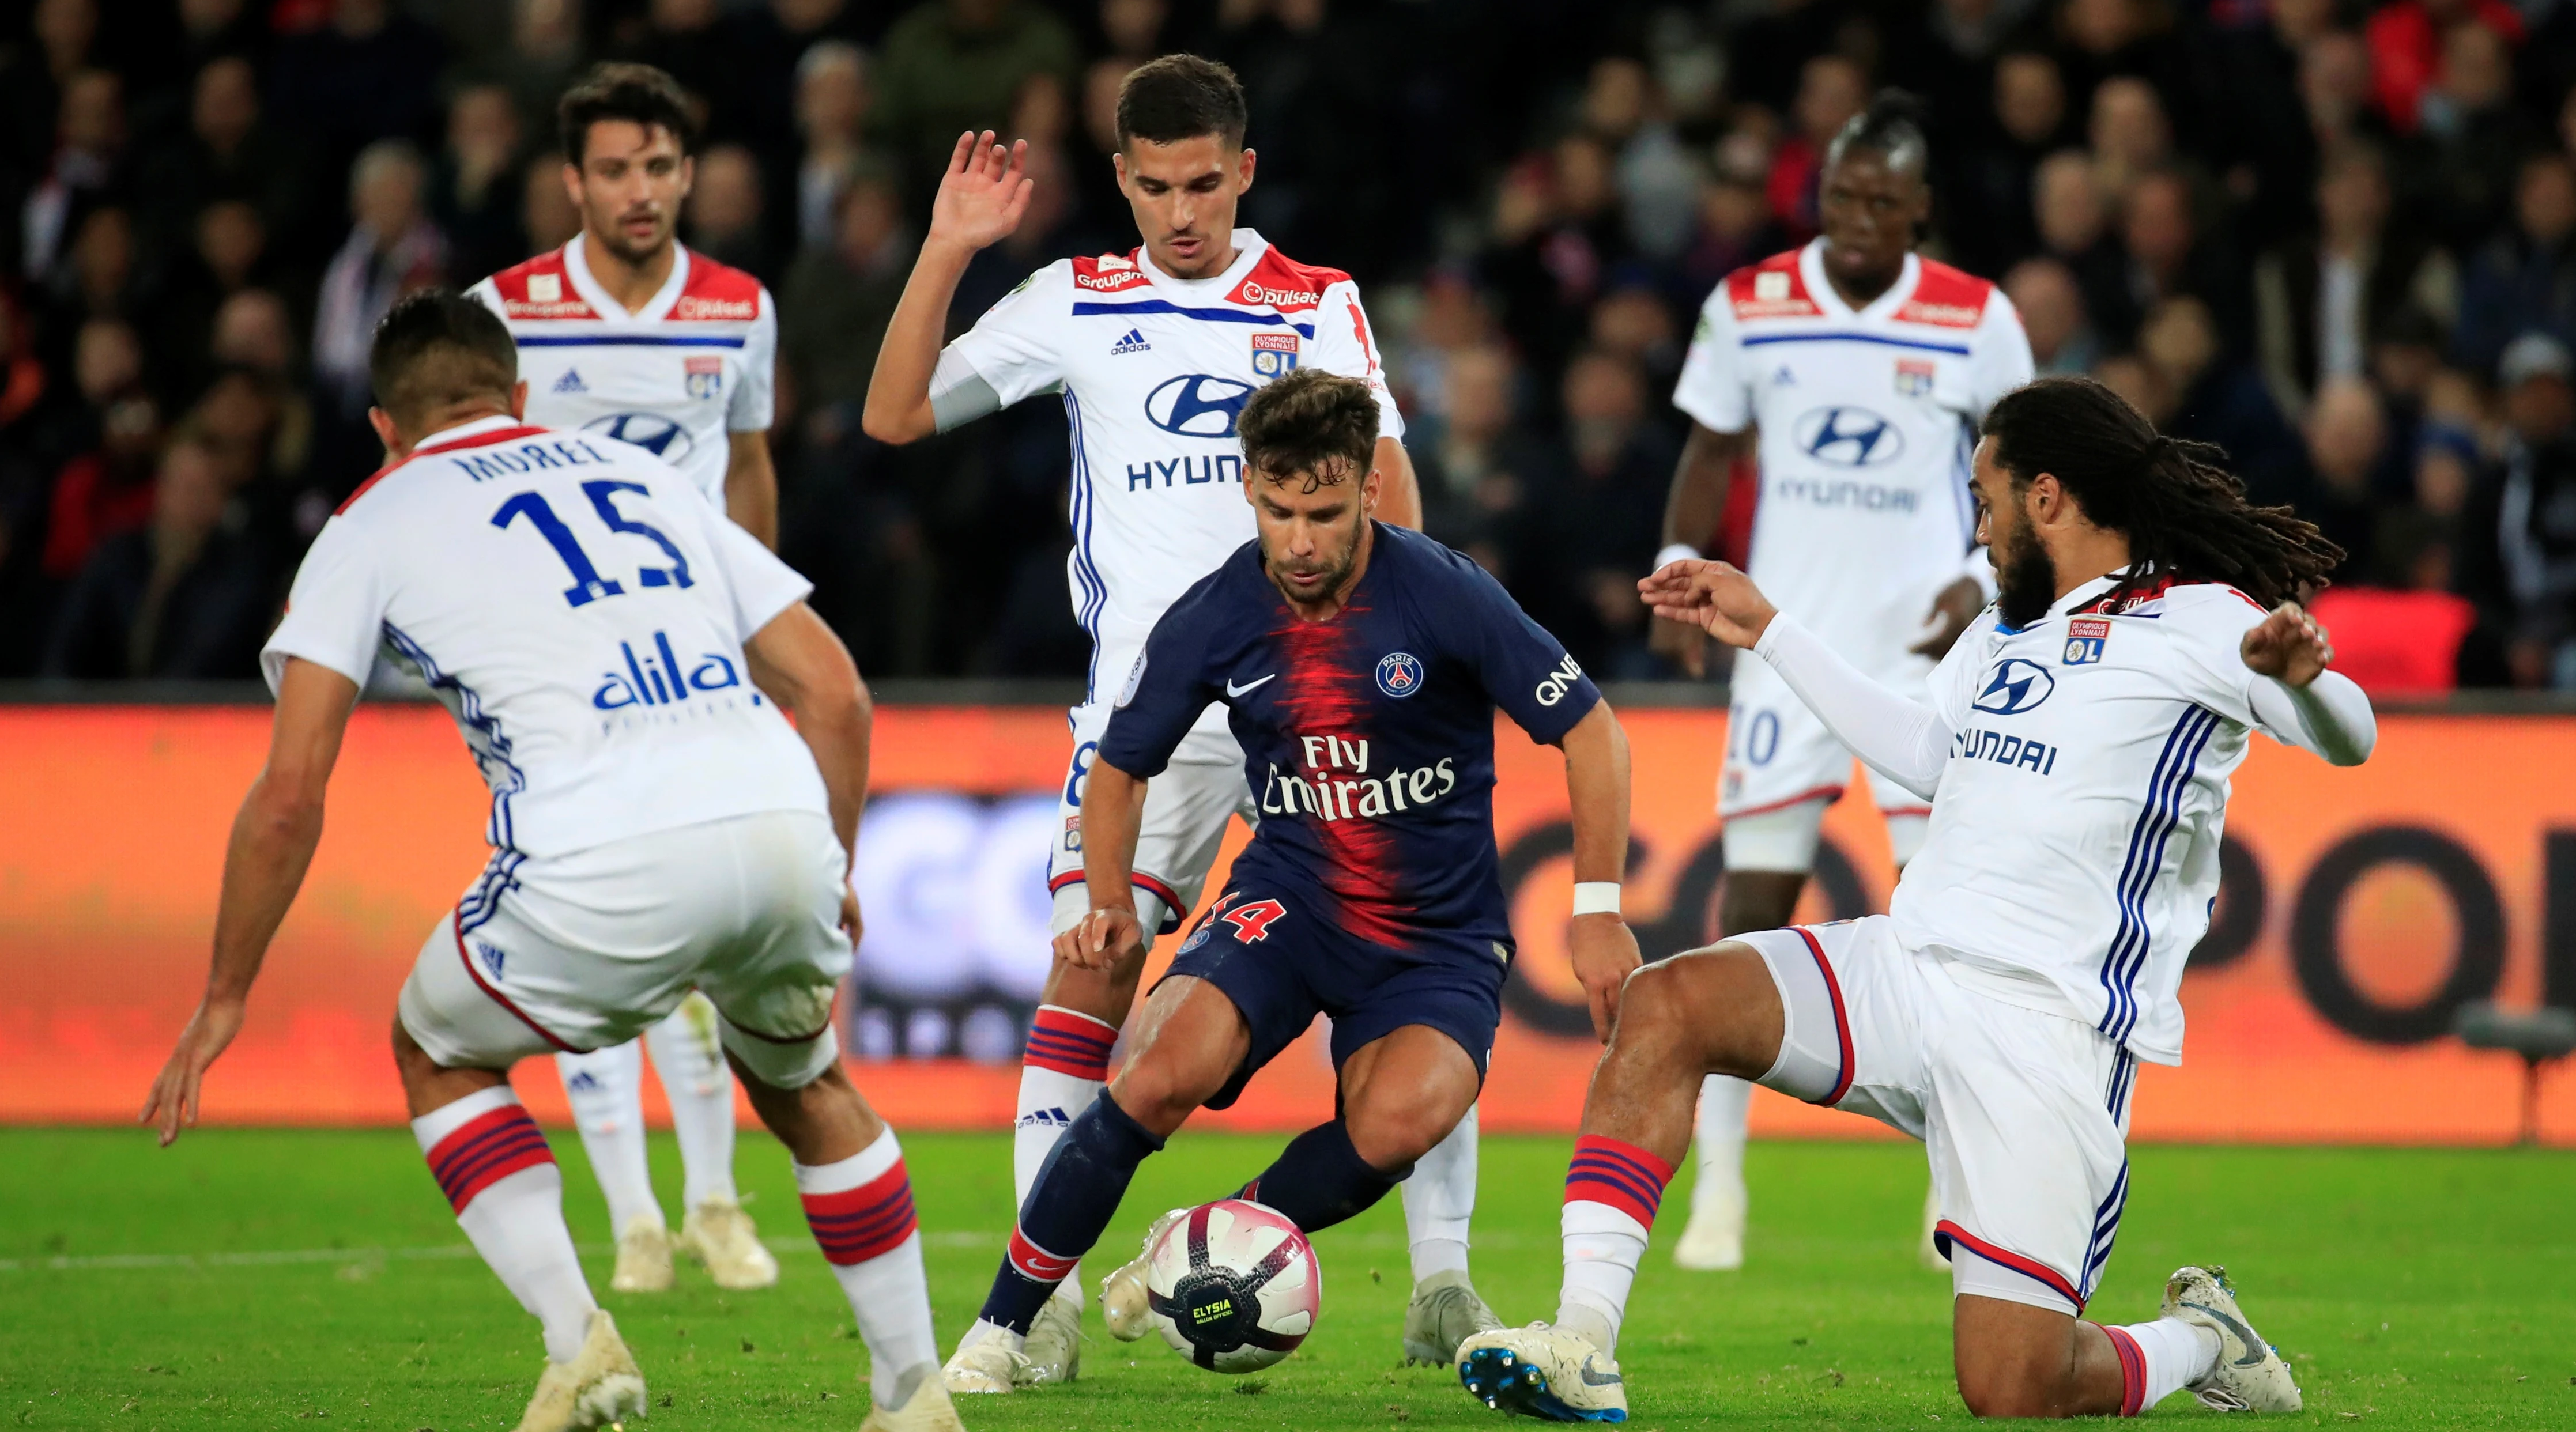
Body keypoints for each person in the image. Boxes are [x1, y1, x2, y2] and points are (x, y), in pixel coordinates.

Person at [1461, 375, 2371, 1422]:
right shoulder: (2002, 629)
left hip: (2047, 1032)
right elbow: (1931, 756)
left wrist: (2305, 682)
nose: (1974, 527)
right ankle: (1581, 1345)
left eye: (1984, 499)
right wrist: (1771, 631)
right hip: (1909, 967)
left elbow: (2354, 736)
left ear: (2047, 498)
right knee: (1669, 1005)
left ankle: (2200, 1340)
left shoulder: (2205, 620)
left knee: (2014, 1388)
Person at [138, 291, 961, 1432]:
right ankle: (914, 1394)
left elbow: (289, 797)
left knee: (434, 1048)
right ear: (517, 395)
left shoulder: (369, 522)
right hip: (774, 813)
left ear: (383, 425)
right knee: (809, 1084)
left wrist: (226, 992)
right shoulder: (649, 478)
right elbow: (836, 692)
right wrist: (830, 861)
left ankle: (581, 1349)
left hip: (599, 858)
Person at [861, 55, 1489, 1382]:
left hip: (1311, 709)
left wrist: (1392, 686)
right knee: (1089, 967)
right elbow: (894, 414)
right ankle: (1050, 1310)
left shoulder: (1319, 301)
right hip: (1153, 718)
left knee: (1401, 961)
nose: (1181, 212)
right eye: (1154, 187)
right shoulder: (1075, 301)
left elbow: (1394, 499)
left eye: (1204, 183)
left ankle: (1445, 1280)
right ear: (1123, 182)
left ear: (1243, 170)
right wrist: (945, 249)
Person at [936, 369, 1640, 1394]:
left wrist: (1597, 911)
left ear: (1365, 488)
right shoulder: (1222, 608)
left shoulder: (1440, 589)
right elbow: (1123, 764)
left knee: (1406, 1118)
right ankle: (1004, 1326)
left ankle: (1205, 1234)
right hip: (1294, 901)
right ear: (1249, 490)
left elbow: (1591, 730)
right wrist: (1103, 904)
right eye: (1278, 512)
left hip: (1434, 937)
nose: (1300, 540)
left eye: (1323, 512)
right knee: (1156, 1071)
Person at [1647, 90, 2033, 1272]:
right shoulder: (1751, 303)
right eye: (1843, 196)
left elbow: (2033, 468)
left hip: (1925, 662)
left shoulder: (1976, 318)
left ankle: (1952, 1192)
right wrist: (1676, 566)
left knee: (1944, 924)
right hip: (1784, 648)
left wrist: (1981, 575)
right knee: (1752, 909)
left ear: (1921, 209)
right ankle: (1721, 1187)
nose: (1859, 218)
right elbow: (1710, 450)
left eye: (1884, 200)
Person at [464, 62, 787, 1298]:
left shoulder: (738, 308)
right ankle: (638, 1219)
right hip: (551, 675)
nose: (639, 191)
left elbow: (747, 461)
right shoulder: (508, 313)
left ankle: (711, 1202)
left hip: (691, 669)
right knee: (585, 935)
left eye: (659, 167)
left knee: (698, 943)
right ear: (571, 181)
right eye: (614, 169)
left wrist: (758, 616)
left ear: (688, 173)